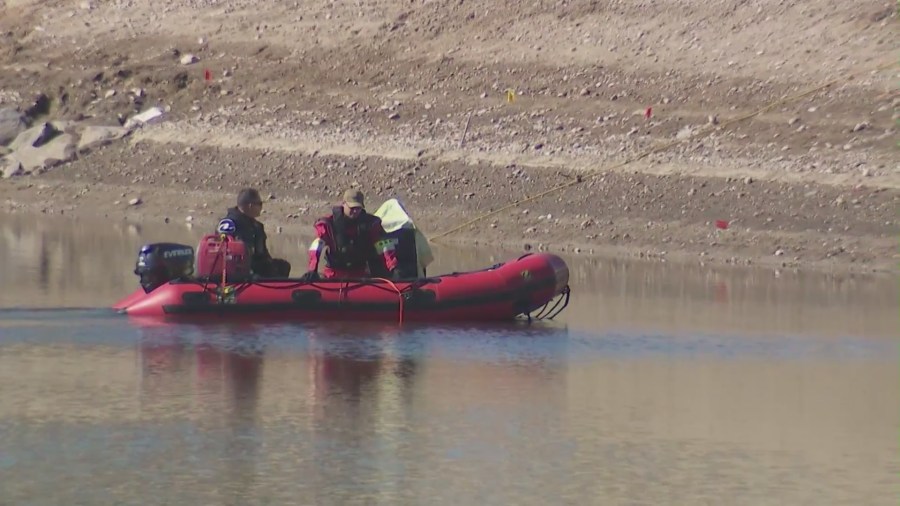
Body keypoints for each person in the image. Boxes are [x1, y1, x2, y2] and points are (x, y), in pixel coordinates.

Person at [302, 188, 398, 280]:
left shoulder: (371, 224)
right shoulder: (329, 224)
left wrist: (393, 267)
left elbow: (383, 245)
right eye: (352, 208)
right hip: (333, 273)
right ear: (343, 204)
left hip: (360, 273)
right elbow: (317, 245)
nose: (355, 211)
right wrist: (312, 269)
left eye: (358, 208)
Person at [217, 188, 291, 278]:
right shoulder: (229, 224)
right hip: (237, 268)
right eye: (260, 204)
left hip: (255, 264)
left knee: (283, 266)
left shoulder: (257, 226)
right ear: (250, 206)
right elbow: (222, 250)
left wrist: (270, 264)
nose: (261, 207)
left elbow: (263, 253)